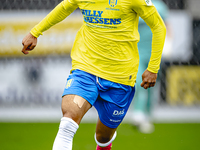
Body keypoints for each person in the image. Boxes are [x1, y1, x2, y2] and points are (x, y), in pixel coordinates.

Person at [21, 0, 166, 149]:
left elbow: (159, 27)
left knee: (103, 137)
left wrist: (153, 68)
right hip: (85, 70)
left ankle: (104, 143)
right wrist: (35, 32)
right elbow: (64, 7)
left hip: (120, 78)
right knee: (67, 124)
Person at [131, 0, 169, 134]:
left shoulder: (160, 7)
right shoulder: (134, 3)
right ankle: (138, 113)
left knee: (151, 86)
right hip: (138, 51)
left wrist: (169, 44)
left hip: (155, 53)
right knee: (138, 81)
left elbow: (166, 27)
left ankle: (147, 115)